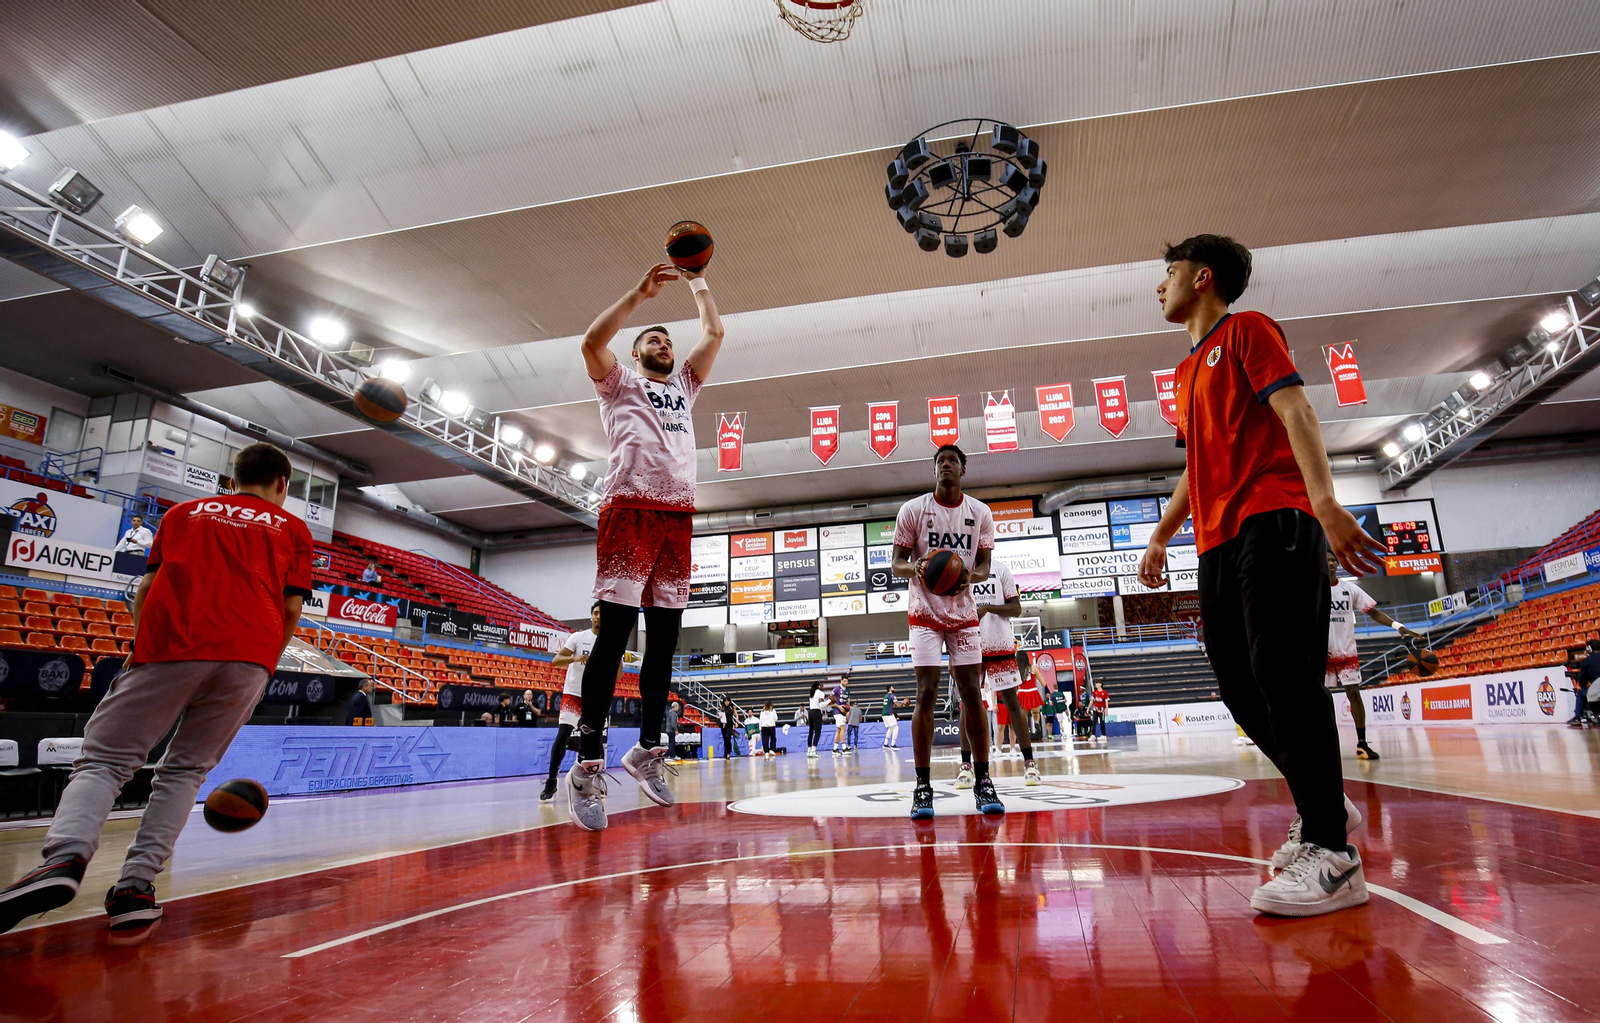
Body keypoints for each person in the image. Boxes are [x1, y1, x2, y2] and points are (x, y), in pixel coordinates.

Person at [1138, 234, 1382, 917]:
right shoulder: (1185, 375)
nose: (1160, 286)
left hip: (1273, 514)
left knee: (1280, 670)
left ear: (1203, 276)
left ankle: (1333, 853)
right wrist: (1161, 535)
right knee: (1239, 684)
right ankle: (1324, 802)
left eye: (1170, 273)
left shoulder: (1247, 330)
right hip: (1215, 539)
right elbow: (1195, 468)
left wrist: (1325, 501)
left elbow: (1296, 409)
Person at [0, 442, 311, 934]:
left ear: (232, 480)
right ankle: (136, 887)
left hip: (171, 647)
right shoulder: (294, 529)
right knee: (185, 772)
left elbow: (147, 587)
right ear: (282, 485)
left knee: (105, 760)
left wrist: (143, 646)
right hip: (248, 658)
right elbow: (291, 609)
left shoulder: (184, 514)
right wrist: (263, 665)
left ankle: (64, 861)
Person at [566, 261, 724, 831]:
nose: (663, 342)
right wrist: (641, 292)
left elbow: (714, 334)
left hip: (676, 518)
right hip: (629, 511)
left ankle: (648, 749)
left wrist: (698, 281)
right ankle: (586, 763)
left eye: (666, 339)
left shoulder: (684, 385)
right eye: (652, 339)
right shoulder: (619, 384)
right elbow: (590, 340)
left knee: (664, 644)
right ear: (635, 355)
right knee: (613, 639)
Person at [893, 444, 1001, 820]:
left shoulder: (980, 513)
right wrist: (918, 568)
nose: (946, 466)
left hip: (963, 613)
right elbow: (896, 563)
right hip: (923, 611)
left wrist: (969, 576)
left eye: (953, 461)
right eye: (940, 462)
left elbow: (985, 566)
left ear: (963, 471)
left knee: (972, 692)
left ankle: (983, 780)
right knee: (926, 692)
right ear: (935, 471)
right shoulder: (913, 510)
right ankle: (923, 787)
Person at [1326, 550, 1419, 760]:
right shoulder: (1311, 588)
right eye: (1327, 561)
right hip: (1321, 653)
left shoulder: (1348, 589)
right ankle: (1323, 743)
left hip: (1347, 651)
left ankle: (1361, 743)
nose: (1331, 563)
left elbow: (1373, 611)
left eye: (1333, 560)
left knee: (1354, 694)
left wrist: (1398, 626)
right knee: (1322, 699)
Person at [961, 559, 1041, 786]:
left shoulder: (1000, 569)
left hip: (1000, 644)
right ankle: (966, 767)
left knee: (1012, 703)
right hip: (968, 645)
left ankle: (1029, 764)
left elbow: (1016, 609)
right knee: (967, 705)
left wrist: (988, 608)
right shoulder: (958, 568)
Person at [541, 603, 605, 802]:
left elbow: (618, 674)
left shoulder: (609, 642)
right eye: (595, 613)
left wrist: (612, 662)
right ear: (591, 616)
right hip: (573, 694)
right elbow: (556, 660)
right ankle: (552, 780)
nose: (598, 617)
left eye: (601, 614)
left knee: (597, 743)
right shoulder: (578, 637)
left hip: (595, 697)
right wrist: (576, 658)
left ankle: (595, 780)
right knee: (562, 737)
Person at [805, 681, 828, 758]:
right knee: (817, 731)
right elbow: (821, 705)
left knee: (811, 731)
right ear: (818, 686)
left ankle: (809, 749)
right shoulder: (820, 693)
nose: (822, 686)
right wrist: (829, 701)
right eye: (821, 685)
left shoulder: (812, 693)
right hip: (817, 712)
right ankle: (814, 750)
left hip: (810, 712)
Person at [830, 676, 850, 753]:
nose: (846, 683)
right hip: (837, 711)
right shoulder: (836, 689)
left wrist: (847, 712)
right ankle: (844, 748)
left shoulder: (848, 690)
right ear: (841, 681)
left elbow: (848, 703)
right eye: (844, 681)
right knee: (843, 727)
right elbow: (831, 702)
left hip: (843, 712)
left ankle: (835, 749)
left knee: (839, 730)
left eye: (847, 681)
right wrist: (839, 706)